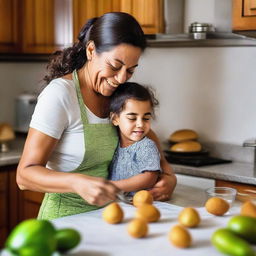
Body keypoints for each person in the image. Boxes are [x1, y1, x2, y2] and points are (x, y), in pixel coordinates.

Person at [16, 12, 176, 220]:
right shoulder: (61, 94)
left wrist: (168, 175)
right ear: (91, 50)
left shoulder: (116, 94)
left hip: (109, 217)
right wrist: (76, 182)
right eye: (115, 66)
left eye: (130, 71)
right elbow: (24, 175)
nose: (120, 78)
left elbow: (144, 133)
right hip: (64, 220)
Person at [109, 82, 160, 194]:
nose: (140, 124)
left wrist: (112, 186)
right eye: (132, 118)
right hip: (118, 203)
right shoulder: (113, 143)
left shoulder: (146, 146)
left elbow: (150, 178)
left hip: (139, 205)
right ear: (115, 119)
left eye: (146, 118)